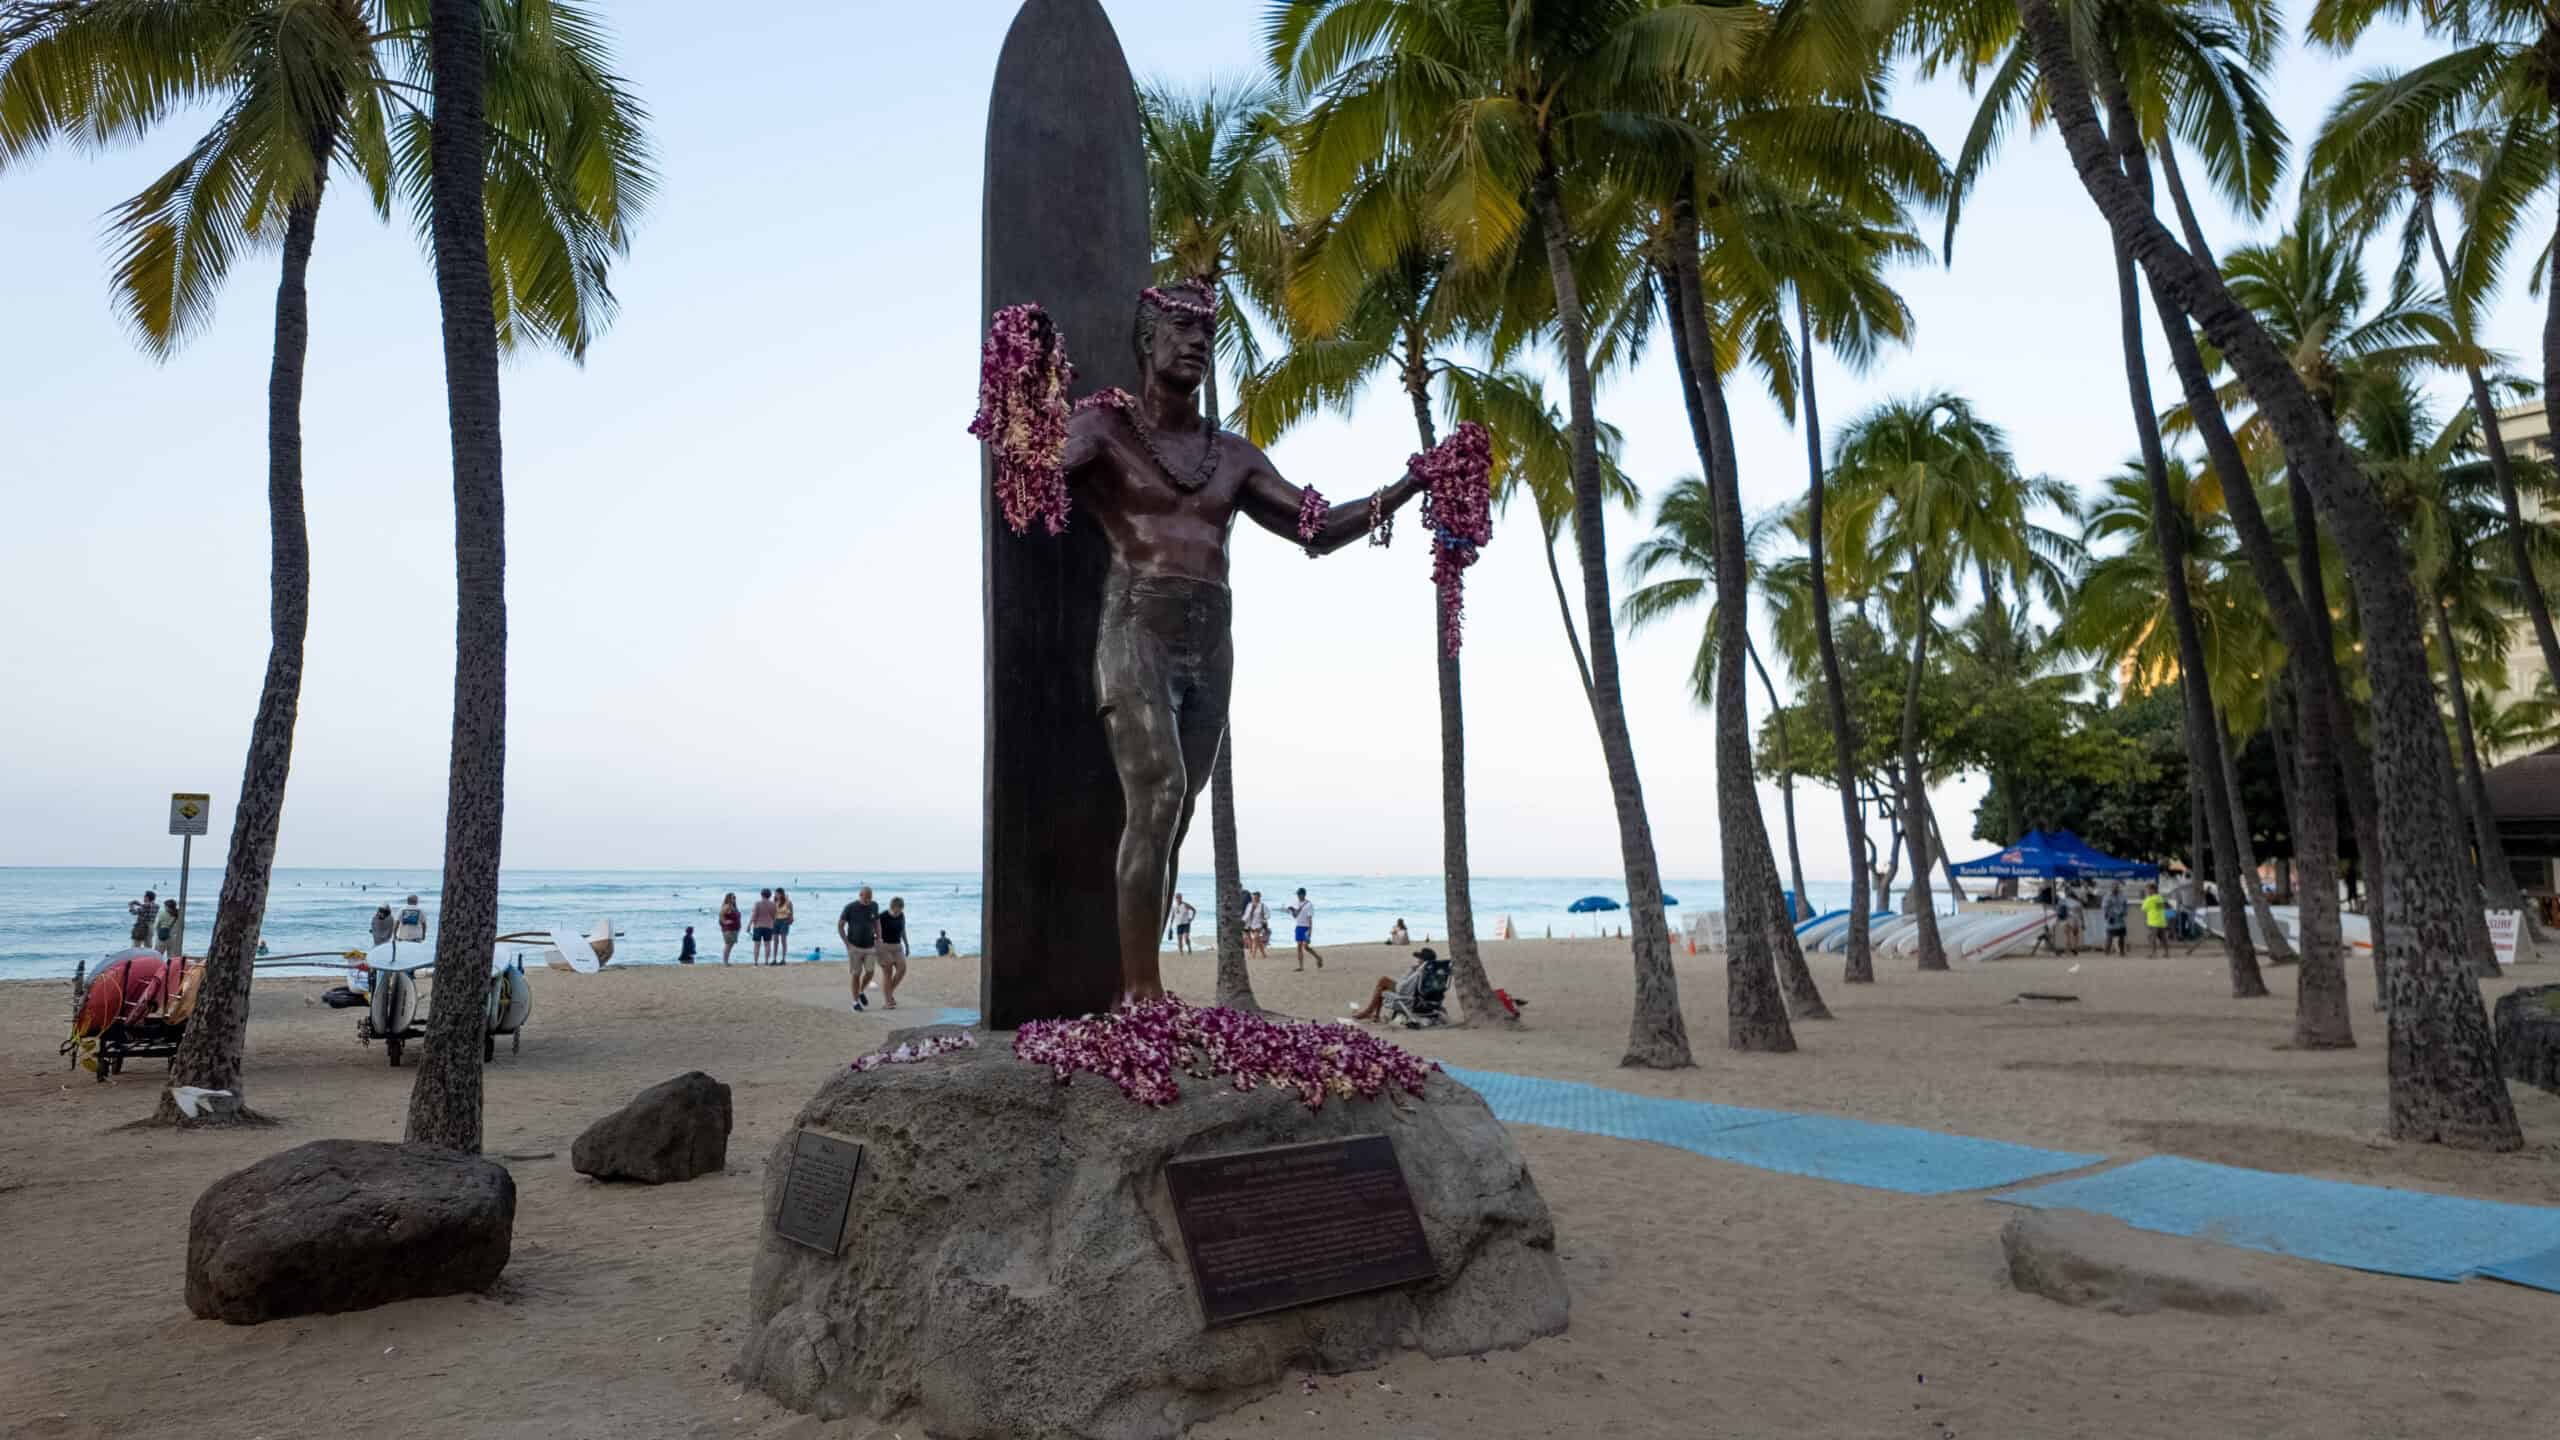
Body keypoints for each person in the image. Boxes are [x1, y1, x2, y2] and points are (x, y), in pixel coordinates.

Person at [1353, 947, 1434, 1022]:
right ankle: (1374, 1014)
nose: (1418, 960)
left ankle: (1369, 1012)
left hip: (1409, 998)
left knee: (1383, 981)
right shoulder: (1432, 973)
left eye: (1419, 958)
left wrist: (1410, 971)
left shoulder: (1418, 972)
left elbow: (1402, 988)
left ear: (1423, 960)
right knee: (1383, 985)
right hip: (1421, 1000)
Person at [839, 886, 883, 1011]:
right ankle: (855, 1002)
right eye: (866, 898)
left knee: (870, 972)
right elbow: (840, 925)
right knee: (856, 974)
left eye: (870, 898)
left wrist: (879, 938)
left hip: (870, 946)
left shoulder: (874, 906)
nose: (868, 900)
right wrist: (847, 944)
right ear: (860, 895)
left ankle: (861, 991)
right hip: (855, 947)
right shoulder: (850, 907)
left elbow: (877, 923)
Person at [878, 897, 910, 1010]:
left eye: (901, 909)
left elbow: (903, 930)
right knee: (888, 973)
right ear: (892, 907)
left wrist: (907, 944)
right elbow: (874, 931)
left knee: (902, 969)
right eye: (898, 909)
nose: (899, 912)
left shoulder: (901, 915)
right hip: (884, 947)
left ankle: (889, 993)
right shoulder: (882, 916)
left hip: (897, 946)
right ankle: (888, 1002)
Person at [1285, 887, 1323, 971]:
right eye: (1297, 894)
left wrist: (1310, 931)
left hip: (1306, 927)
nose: (1298, 896)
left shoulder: (1309, 904)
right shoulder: (1296, 903)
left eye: (1299, 894)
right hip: (1298, 927)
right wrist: (1292, 910)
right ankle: (1301, 967)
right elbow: (1295, 916)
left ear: (1303, 894)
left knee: (1305, 947)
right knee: (1299, 946)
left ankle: (1318, 957)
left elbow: (1310, 919)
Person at [750, 888, 777, 963]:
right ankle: (766, 961)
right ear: (769, 895)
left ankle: (756, 962)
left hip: (758, 926)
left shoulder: (757, 903)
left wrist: (749, 925)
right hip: (769, 926)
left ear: (762, 895)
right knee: (767, 945)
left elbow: (754, 915)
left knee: (757, 945)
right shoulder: (773, 904)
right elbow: (774, 917)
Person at [2142, 884, 2170, 955]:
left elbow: (2144, 908)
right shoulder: (2160, 898)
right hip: (2161, 921)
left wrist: (2147, 898)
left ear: (2153, 890)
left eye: (2148, 889)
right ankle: (2166, 952)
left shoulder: (2150, 899)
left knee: (2151, 938)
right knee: (2163, 938)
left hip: (2153, 922)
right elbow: (2161, 908)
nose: (2147, 891)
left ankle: (2153, 953)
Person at [2102, 882, 2128, 956]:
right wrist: (2107, 915)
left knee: (2121, 937)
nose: (2115, 888)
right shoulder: (2107, 896)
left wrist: (2125, 912)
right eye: (2114, 887)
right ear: (2111, 887)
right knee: (2109, 937)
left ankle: (2122, 952)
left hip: (2120, 918)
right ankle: (2106, 953)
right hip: (2111, 918)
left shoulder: (2122, 896)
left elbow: (2125, 905)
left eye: (2117, 887)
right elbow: (2104, 907)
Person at [1242, 891, 1268, 960]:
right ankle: (1264, 954)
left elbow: (1267, 915)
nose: (1254, 899)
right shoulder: (1249, 905)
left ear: (1259, 898)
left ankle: (1253, 955)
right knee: (1257, 939)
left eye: (1256, 898)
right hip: (1249, 924)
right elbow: (1246, 914)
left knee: (1255, 937)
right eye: (1253, 898)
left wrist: (1264, 919)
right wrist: (1243, 921)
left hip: (1259, 924)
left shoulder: (1263, 906)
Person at [718, 892, 743, 965]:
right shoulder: (727, 906)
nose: (734, 899)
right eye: (733, 898)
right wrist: (725, 922)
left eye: (735, 898)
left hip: (734, 929)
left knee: (730, 945)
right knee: (728, 945)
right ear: (728, 898)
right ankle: (725, 961)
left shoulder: (733, 906)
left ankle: (726, 961)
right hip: (729, 929)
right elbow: (721, 915)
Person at [773, 888, 796, 961]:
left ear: (781, 894)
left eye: (777, 894)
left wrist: (790, 920)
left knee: (783, 940)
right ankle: (774, 959)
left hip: (784, 921)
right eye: (775, 894)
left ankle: (783, 959)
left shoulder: (788, 902)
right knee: (775, 941)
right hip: (775, 921)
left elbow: (791, 914)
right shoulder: (774, 902)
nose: (775, 895)